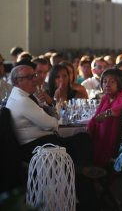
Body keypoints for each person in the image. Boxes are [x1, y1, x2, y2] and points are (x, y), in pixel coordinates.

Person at [6, 64, 97, 210]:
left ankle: (82, 171)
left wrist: (49, 107)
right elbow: (52, 123)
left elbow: (52, 119)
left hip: (42, 143)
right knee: (82, 140)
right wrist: (52, 115)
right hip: (39, 148)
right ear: (17, 81)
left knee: (82, 139)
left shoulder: (22, 96)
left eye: (34, 76)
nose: (35, 80)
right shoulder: (22, 100)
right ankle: (84, 174)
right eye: (29, 77)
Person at [87, 68, 122, 167]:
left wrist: (108, 113)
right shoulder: (106, 98)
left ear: (120, 83)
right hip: (100, 139)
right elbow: (96, 116)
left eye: (112, 82)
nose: (107, 84)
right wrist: (89, 127)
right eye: (104, 81)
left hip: (114, 144)